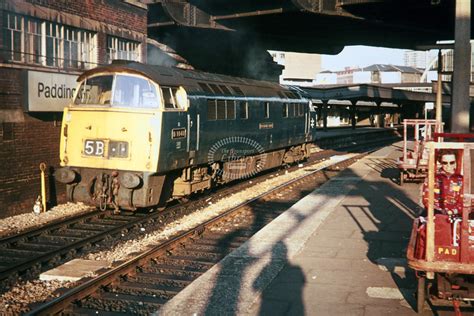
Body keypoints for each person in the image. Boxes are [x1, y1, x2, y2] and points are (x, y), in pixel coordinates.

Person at [421, 149, 463, 216]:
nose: (448, 165)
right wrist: (439, 211)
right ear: (440, 162)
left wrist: (452, 212)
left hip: (457, 215)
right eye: (445, 163)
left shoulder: (461, 179)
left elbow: (463, 201)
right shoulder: (433, 178)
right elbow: (426, 199)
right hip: (436, 214)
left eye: (452, 162)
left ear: (456, 162)